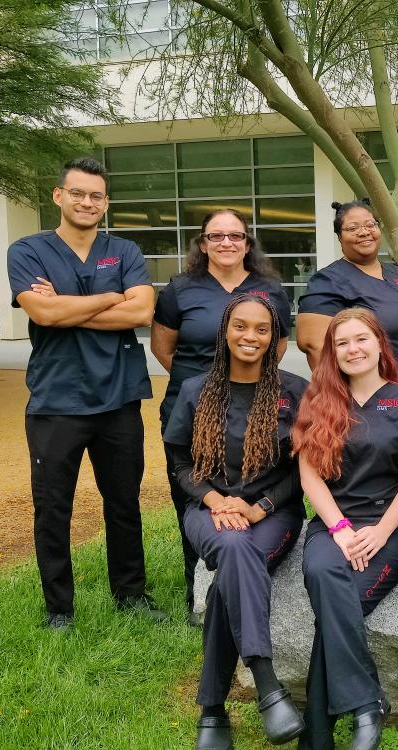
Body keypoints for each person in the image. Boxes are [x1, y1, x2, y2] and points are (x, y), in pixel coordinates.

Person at [7, 157, 164, 629]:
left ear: (106, 203)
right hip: (56, 402)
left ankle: (131, 595)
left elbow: (142, 313)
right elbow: (44, 315)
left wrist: (65, 306)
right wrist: (111, 296)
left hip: (118, 400)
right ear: (58, 196)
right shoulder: (27, 251)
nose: (87, 202)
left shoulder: (124, 250)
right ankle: (59, 609)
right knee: (53, 508)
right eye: (77, 193)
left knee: (124, 502)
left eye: (96, 195)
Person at [164, 294, 307, 750]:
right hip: (209, 512)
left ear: (274, 338)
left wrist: (259, 507)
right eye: (241, 327)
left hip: (274, 513)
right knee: (232, 548)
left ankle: (211, 711)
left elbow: (304, 470)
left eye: (262, 329)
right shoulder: (195, 390)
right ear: (225, 330)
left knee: (231, 568)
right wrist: (215, 499)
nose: (250, 336)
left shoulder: (294, 391)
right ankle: (268, 685)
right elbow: (180, 462)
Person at [151, 208, 292, 619]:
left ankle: (234, 575)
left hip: (254, 408)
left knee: (253, 483)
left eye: (236, 236)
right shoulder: (180, 288)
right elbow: (164, 347)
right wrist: (205, 389)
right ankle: (196, 589)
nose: (226, 243)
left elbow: (276, 346)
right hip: (191, 406)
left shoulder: (269, 288)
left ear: (248, 243)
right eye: (217, 236)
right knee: (193, 497)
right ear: (203, 242)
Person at [294, 308, 398, 750]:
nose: (353, 349)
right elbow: (309, 474)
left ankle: (316, 736)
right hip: (336, 522)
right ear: (332, 352)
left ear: (379, 344)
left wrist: (382, 532)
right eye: (342, 343)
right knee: (323, 574)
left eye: (361, 339)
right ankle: (368, 701)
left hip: (393, 528)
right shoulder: (320, 399)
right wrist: (342, 529)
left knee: (335, 608)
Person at [296, 199, 398, 394]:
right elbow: (314, 346)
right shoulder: (328, 280)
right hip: (379, 403)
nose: (364, 232)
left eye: (370, 224)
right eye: (352, 228)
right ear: (339, 237)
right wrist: (346, 400)